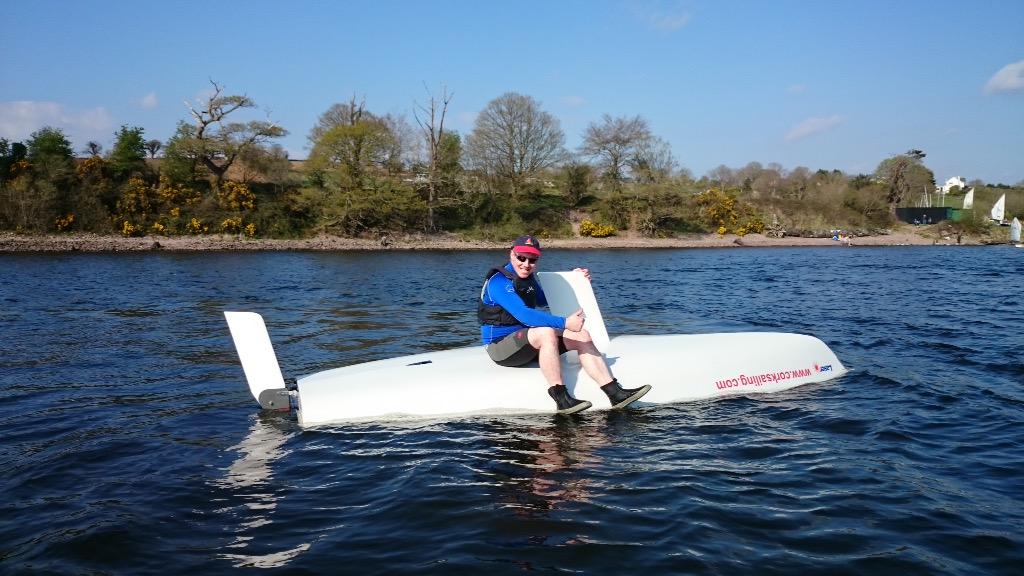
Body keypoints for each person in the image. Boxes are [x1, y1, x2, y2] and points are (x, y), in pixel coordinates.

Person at [478, 235, 651, 414]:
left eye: (532, 260)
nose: (526, 264)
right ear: (511, 254)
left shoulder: (527, 278)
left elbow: (545, 299)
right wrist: (566, 323)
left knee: (582, 335)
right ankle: (561, 399)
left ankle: (615, 393)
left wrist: (575, 279)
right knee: (546, 332)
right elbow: (525, 316)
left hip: (526, 343)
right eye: (521, 258)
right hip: (500, 347)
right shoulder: (498, 282)